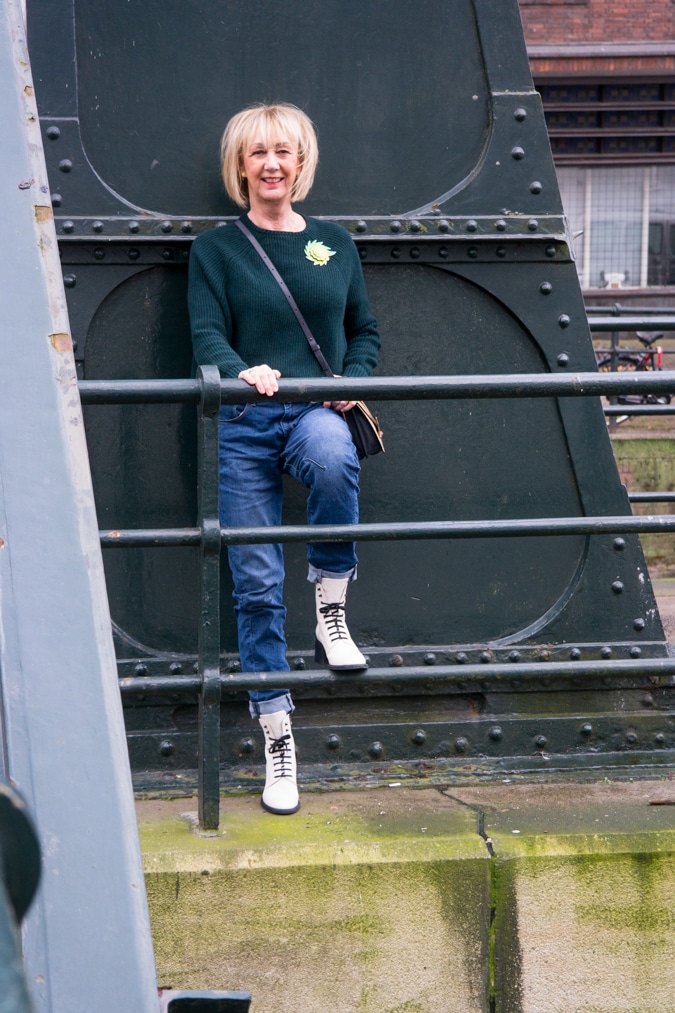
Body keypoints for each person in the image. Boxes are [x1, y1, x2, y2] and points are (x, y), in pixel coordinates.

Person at [188, 103, 380, 816]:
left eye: (284, 151)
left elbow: (364, 328)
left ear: (301, 162)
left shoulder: (334, 242)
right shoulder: (216, 249)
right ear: (240, 166)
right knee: (257, 581)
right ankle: (278, 735)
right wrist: (241, 370)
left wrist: (350, 384)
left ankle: (332, 608)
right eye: (257, 152)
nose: (271, 163)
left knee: (333, 457)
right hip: (243, 419)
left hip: (311, 412)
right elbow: (206, 335)